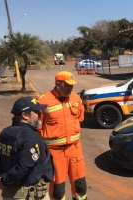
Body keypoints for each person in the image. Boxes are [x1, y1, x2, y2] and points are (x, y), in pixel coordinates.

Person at [0, 97, 53, 200]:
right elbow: (23, 166)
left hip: (9, 193)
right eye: (36, 111)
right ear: (25, 115)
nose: (40, 114)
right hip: (28, 195)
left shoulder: (5, 132)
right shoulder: (30, 136)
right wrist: (3, 181)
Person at [37, 71, 87, 200]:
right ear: (57, 84)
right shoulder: (43, 101)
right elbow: (37, 127)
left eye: (72, 85)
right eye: (67, 85)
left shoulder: (76, 98)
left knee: (80, 186)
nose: (70, 88)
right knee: (58, 191)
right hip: (55, 153)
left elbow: (80, 119)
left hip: (75, 149)